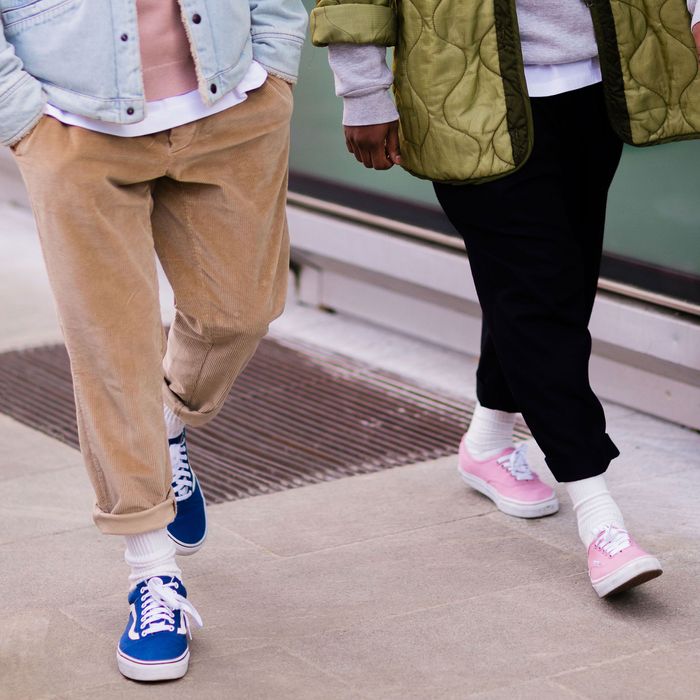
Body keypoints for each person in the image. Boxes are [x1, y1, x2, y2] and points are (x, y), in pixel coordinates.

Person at [311, 0, 700, 598]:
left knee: (551, 287)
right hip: (466, 94)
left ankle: (489, 442)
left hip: (601, 84)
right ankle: (599, 515)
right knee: (538, 299)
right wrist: (363, 92)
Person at [2, 0, 307, 681]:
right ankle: (152, 576)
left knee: (242, 310)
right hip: (74, 126)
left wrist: (277, 62)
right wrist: (23, 118)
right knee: (112, 349)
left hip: (230, 106)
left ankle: (167, 423)